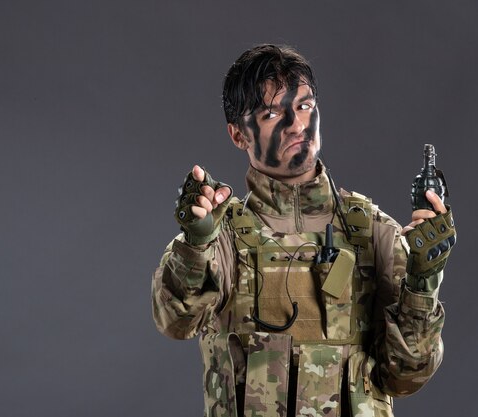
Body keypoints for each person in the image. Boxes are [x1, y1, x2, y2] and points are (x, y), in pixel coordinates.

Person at [151, 44, 456, 417]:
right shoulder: (222, 236)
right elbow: (176, 321)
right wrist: (195, 244)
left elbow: (407, 376)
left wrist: (423, 282)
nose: (295, 124)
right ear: (238, 134)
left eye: (305, 106)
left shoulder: (374, 233)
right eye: (271, 113)